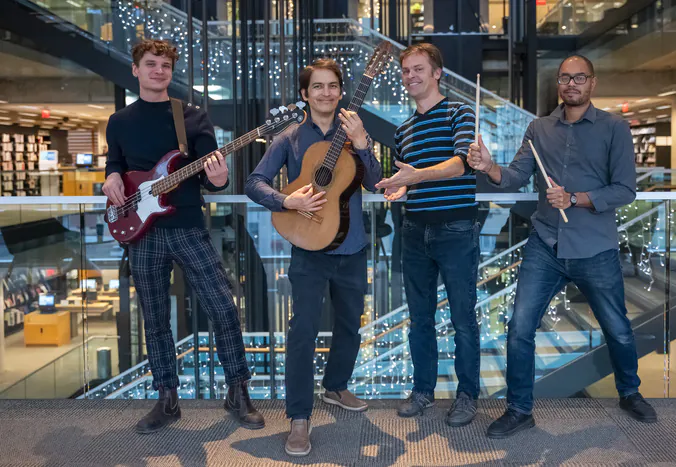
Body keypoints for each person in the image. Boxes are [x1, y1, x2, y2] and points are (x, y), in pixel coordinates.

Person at [467, 54, 658, 439]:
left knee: (617, 328)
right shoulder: (539, 128)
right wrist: (489, 166)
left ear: (592, 83)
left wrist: (575, 199)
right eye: (565, 78)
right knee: (520, 327)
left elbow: (625, 189)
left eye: (579, 78)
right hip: (545, 243)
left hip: (595, 247)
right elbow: (517, 175)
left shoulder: (614, 128)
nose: (572, 84)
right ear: (559, 84)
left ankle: (629, 392)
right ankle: (520, 409)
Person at [103, 39, 264, 434]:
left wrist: (220, 177)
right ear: (136, 70)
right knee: (155, 319)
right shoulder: (119, 121)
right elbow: (115, 163)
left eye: (165, 65)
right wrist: (109, 177)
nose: (159, 70)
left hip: (188, 226)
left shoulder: (191, 118)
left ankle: (238, 390)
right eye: (151, 64)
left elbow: (215, 175)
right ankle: (167, 398)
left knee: (223, 308)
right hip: (141, 233)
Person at [245, 58, 383, 457]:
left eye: (333, 86)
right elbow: (254, 182)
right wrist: (286, 199)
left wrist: (363, 145)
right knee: (302, 332)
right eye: (317, 87)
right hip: (307, 249)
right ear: (304, 94)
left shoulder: (356, 131)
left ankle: (337, 387)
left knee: (350, 326)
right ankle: (300, 417)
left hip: (352, 246)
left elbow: (376, 183)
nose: (326, 93)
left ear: (342, 91)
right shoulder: (288, 138)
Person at [375, 43, 480, 427]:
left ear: (438, 73)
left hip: (455, 228)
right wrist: (400, 188)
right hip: (414, 230)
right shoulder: (403, 130)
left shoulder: (459, 112)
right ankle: (423, 391)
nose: (410, 77)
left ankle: (467, 395)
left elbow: (461, 164)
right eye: (405, 71)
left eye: (418, 69)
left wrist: (416, 175)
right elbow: (409, 181)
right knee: (420, 319)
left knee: (463, 319)